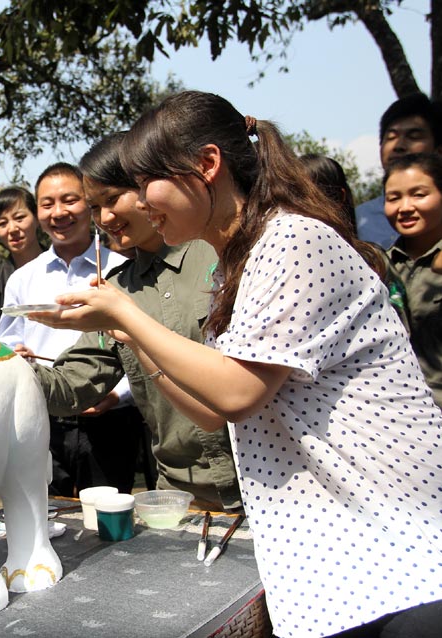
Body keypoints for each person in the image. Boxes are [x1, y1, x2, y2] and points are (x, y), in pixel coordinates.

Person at [31, 91, 442, 638]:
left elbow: (237, 392)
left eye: (146, 181)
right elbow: (210, 411)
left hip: (397, 551)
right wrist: (128, 332)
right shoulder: (238, 265)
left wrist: (126, 314)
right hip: (335, 555)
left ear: (207, 164)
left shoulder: (292, 238)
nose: (140, 202)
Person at [34, 132, 241, 510]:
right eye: (95, 207)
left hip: (267, 481)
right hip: (183, 494)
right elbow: (71, 386)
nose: (105, 219)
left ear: (148, 186)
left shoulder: (219, 255)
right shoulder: (115, 290)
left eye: (113, 199)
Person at [0, 163, 138, 496]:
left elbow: (140, 348)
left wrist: (117, 394)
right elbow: (8, 341)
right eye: (47, 204)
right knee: (45, 510)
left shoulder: (122, 270)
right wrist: (15, 355)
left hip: (110, 421)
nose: (58, 212)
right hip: (44, 419)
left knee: (107, 513)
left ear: (89, 204)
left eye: (70, 200)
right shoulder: (22, 279)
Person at [301, 153, 409, 324]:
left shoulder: (372, 259)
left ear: (339, 197)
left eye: (306, 196)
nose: (297, 206)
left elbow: (400, 322)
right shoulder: (283, 261)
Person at [383, 152, 442, 409]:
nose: (405, 207)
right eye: (393, 198)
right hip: (402, 413)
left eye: (419, 195)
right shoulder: (379, 265)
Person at [355, 92, 442, 248]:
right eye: (391, 137)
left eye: (413, 137)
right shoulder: (357, 220)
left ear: (439, 151)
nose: (399, 145)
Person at [0, 186, 44, 338]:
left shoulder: (62, 265)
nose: (12, 229)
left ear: (37, 218)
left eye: (20, 218)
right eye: (2, 223)